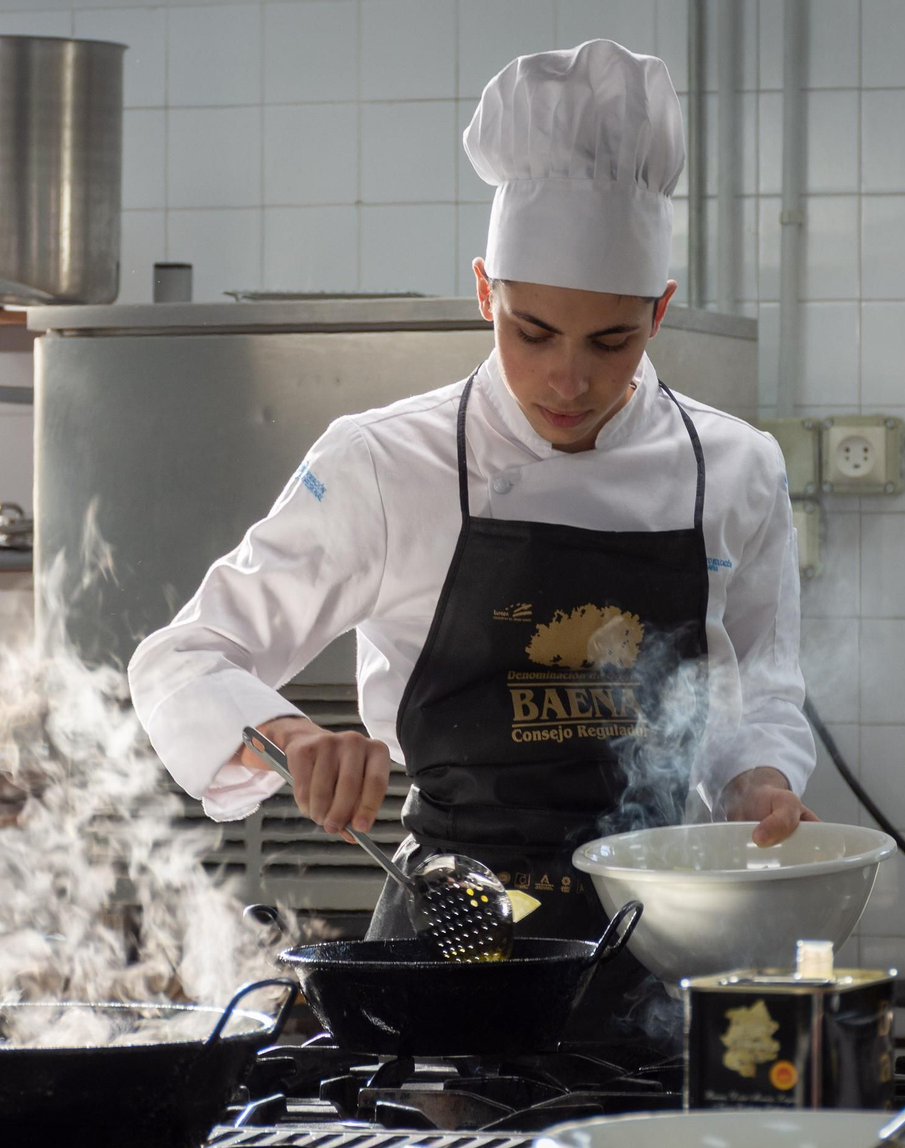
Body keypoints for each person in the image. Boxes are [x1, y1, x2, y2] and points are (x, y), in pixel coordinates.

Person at [128, 40, 816, 1001]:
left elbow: (765, 690)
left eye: (610, 340)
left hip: (668, 930)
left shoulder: (736, 468)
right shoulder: (383, 464)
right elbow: (182, 656)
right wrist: (290, 735)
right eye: (531, 332)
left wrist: (760, 780)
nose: (568, 379)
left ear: (659, 313)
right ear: (486, 292)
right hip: (452, 928)